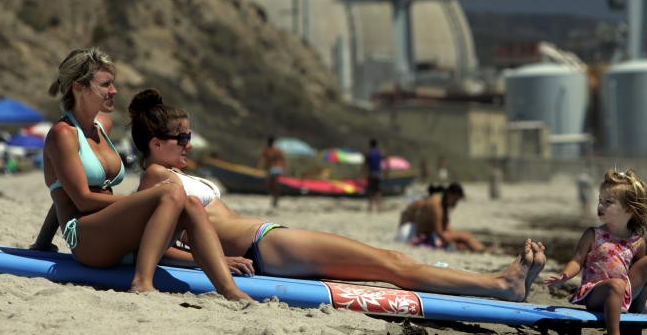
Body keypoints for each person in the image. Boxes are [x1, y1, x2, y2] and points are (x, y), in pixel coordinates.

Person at [131, 88, 547, 302]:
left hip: (268, 242)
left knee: (391, 268)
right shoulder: (155, 180)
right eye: (180, 137)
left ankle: (497, 282)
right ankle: (501, 285)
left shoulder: (170, 175)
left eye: (188, 135)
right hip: (263, 245)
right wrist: (217, 260)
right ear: (154, 143)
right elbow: (156, 247)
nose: (188, 143)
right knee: (391, 264)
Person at [30, 48, 249, 301]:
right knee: (170, 193)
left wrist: (42, 244)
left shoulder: (100, 128)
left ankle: (231, 290)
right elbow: (79, 199)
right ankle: (142, 282)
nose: (114, 91)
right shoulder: (63, 134)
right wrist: (148, 200)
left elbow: (59, 193)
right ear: (79, 88)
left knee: (189, 203)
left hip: (114, 233)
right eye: (106, 84)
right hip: (87, 240)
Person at [545, 169, 647, 335]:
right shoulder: (593, 234)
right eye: (600, 201)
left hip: (623, 292)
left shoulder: (637, 241)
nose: (600, 206)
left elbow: (644, 278)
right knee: (616, 285)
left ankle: (633, 329)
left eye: (608, 202)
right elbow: (577, 260)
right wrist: (565, 275)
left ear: (628, 209)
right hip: (595, 293)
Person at [397, 183, 487, 252]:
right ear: (450, 195)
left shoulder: (440, 202)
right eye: (456, 200)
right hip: (415, 236)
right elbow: (439, 232)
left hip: (415, 233)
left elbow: (446, 228)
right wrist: (454, 241)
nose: (456, 203)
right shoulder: (436, 204)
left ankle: (481, 248)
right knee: (465, 236)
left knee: (462, 241)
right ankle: (482, 250)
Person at [258, 135, 285, 208]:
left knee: (271, 185)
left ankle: (275, 199)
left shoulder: (269, 150)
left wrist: (259, 168)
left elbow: (262, 161)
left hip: (274, 169)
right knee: (273, 185)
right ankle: (275, 199)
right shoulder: (276, 150)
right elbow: (282, 160)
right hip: (276, 169)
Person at [364, 138, 384, 213]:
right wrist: (385, 172)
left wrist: (363, 173)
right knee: (378, 191)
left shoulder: (369, 153)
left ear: (370, 145)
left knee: (371, 190)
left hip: (371, 174)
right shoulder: (379, 153)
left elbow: (365, 164)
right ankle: (379, 208)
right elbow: (386, 160)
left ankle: (370, 207)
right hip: (378, 174)